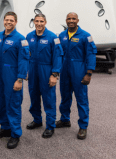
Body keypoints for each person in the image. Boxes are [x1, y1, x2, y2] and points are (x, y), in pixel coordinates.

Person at [0, 11, 29, 149]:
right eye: (6, 20)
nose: (8, 22)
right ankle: (5, 127)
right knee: (2, 102)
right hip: (1, 73)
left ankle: (15, 133)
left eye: (11, 20)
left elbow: (24, 60)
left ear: (16, 22)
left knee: (13, 103)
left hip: (13, 74)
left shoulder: (21, 39)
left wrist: (20, 78)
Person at [57, 12, 97, 140]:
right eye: (69, 18)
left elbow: (91, 54)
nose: (71, 20)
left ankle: (83, 126)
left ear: (78, 20)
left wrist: (89, 73)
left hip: (79, 70)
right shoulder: (62, 35)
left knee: (81, 99)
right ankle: (65, 119)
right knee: (65, 96)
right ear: (66, 20)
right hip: (64, 70)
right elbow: (58, 54)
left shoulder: (86, 36)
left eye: (73, 18)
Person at [25, 14, 63, 139]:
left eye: (41, 21)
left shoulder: (53, 37)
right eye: (37, 21)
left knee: (49, 98)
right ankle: (37, 120)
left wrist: (54, 74)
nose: (39, 23)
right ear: (34, 22)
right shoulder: (29, 36)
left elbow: (58, 56)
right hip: (33, 70)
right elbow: (25, 55)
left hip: (46, 70)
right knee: (34, 96)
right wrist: (26, 70)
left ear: (45, 22)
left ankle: (50, 126)